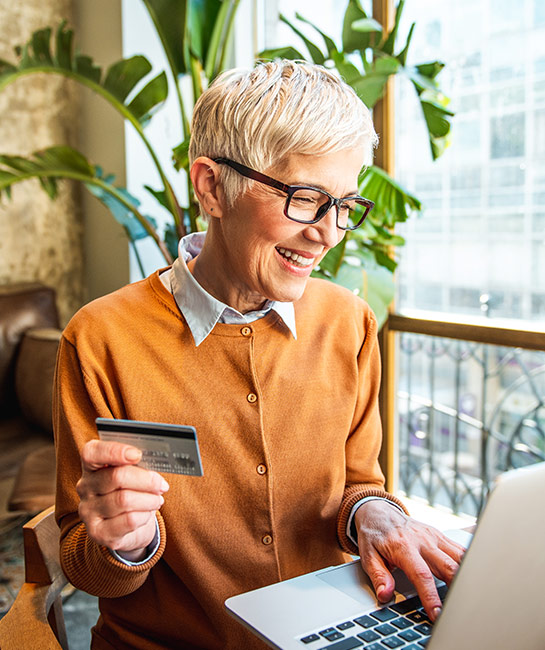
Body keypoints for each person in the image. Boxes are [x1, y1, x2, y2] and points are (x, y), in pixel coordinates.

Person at [54, 60, 465, 650]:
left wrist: (374, 514)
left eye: (345, 205)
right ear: (212, 187)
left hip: (330, 636)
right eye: (305, 199)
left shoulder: (348, 322)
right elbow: (84, 565)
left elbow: (358, 484)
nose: (328, 233)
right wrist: (126, 542)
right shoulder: (100, 339)